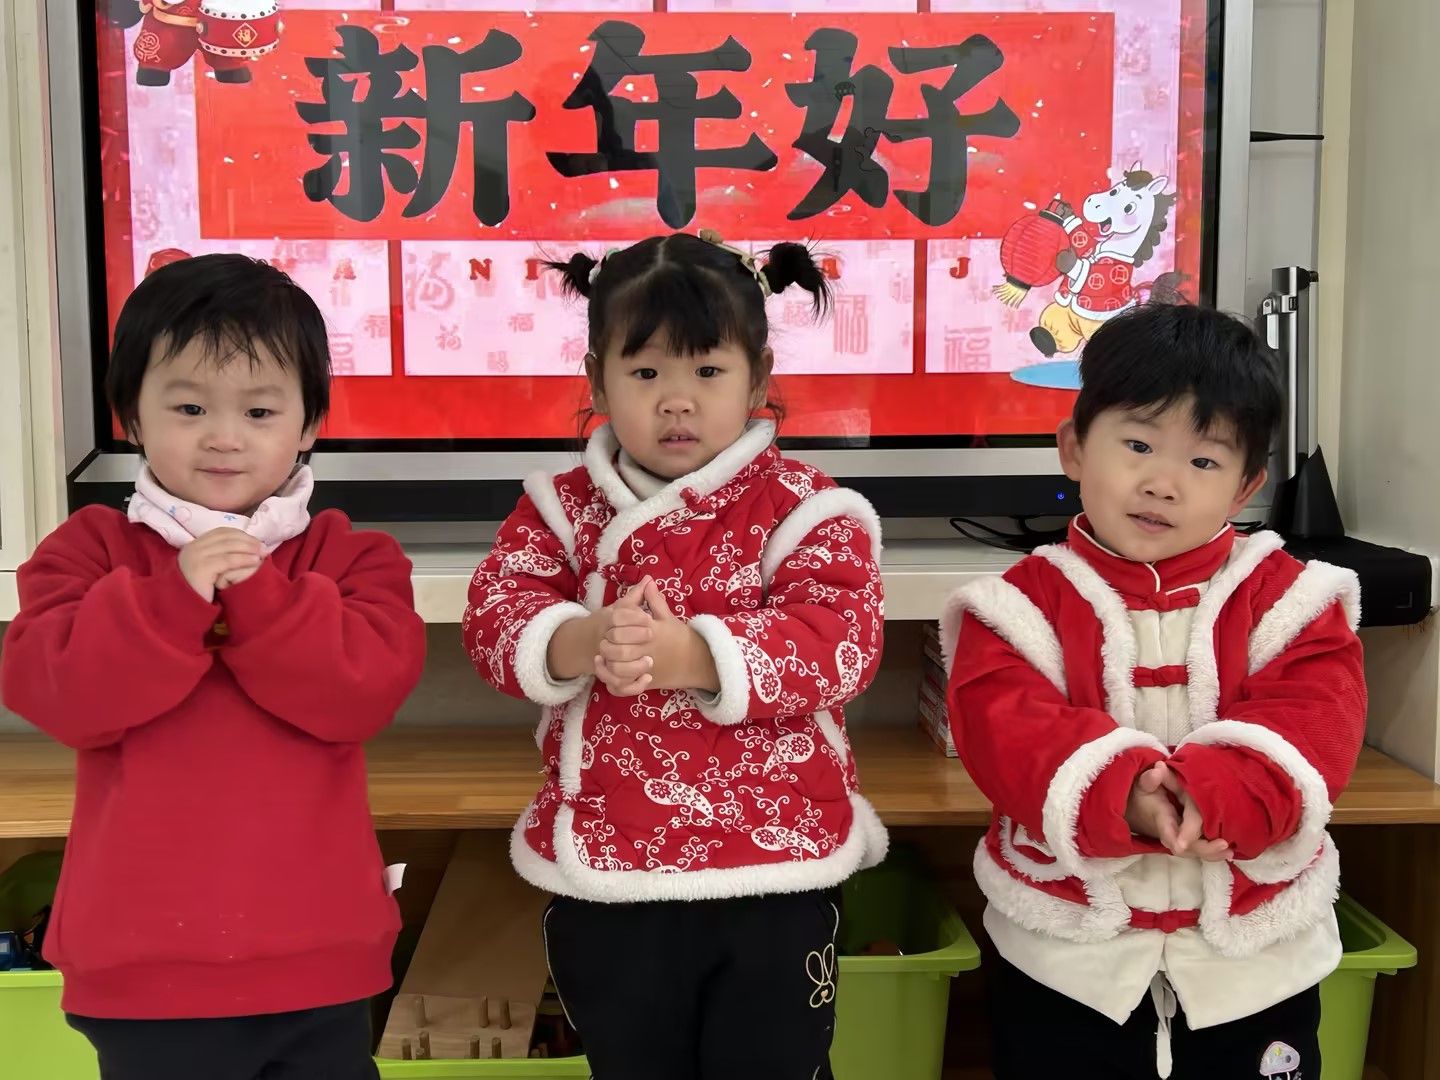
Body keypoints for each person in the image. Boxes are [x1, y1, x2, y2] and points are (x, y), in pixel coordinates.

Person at [463, 232, 889, 1080]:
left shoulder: (807, 507)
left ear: (759, 380)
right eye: (647, 372)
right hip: (612, 865)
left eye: (708, 370)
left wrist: (692, 654)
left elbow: (842, 641)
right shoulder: (559, 508)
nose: (677, 401)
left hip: (774, 867)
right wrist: (581, 639)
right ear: (597, 382)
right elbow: (495, 618)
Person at [1, 253, 426, 1080]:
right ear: (131, 414)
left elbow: (358, 697)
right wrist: (172, 600)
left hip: (321, 963)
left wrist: (256, 591)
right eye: (190, 407)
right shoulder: (87, 552)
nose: (224, 437)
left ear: (308, 424)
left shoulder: (352, 556)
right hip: (143, 972)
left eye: (260, 410)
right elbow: (61, 696)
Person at [943, 303, 1366, 1079]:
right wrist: (1125, 793)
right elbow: (1005, 731)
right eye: (1137, 445)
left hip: (1255, 968)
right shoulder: (1014, 608)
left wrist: (1221, 793)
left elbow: (1318, 722)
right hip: (1068, 964)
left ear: (1245, 487)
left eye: (1203, 462)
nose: (1162, 484)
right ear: (1074, 448)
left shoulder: (1294, 599)